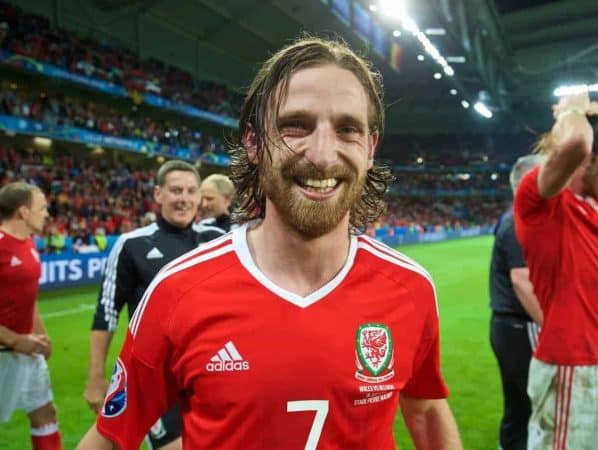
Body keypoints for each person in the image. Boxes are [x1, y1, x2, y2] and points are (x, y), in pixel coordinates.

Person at [77, 36, 462, 450]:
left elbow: (425, 412)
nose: (322, 154)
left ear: (370, 149)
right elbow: (111, 438)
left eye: (347, 129)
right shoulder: (177, 292)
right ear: (254, 143)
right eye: (295, 125)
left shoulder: (410, 289)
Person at [83, 160, 224, 450]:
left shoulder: (218, 241)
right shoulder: (132, 244)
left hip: (214, 372)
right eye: (175, 190)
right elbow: (106, 313)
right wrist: (96, 377)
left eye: (190, 191)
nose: (183, 198)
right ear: (158, 195)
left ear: (199, 196)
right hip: (157, 377)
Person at [513, 92, 598, 449]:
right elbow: (577, 140)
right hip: (573, 367)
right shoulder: (542, 203)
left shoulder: (591, 211)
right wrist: (572, 110)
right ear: (586, 163)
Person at [0, 182, 62, 450]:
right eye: (42, 208)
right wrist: (14, 339)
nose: (47, 214)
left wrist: (41, 336)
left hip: (27, 352)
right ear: (23, 212)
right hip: (5, 351)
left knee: (45, 413)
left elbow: (30, 299)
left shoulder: (29, 244)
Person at [489, 154, 544, 450]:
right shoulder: (518, 223)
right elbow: (523, 281)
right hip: (520, 327)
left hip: (510, 326)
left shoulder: (515, 220)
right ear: (529, 182)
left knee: (519, 406)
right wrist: (552, 326)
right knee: (540, 401)